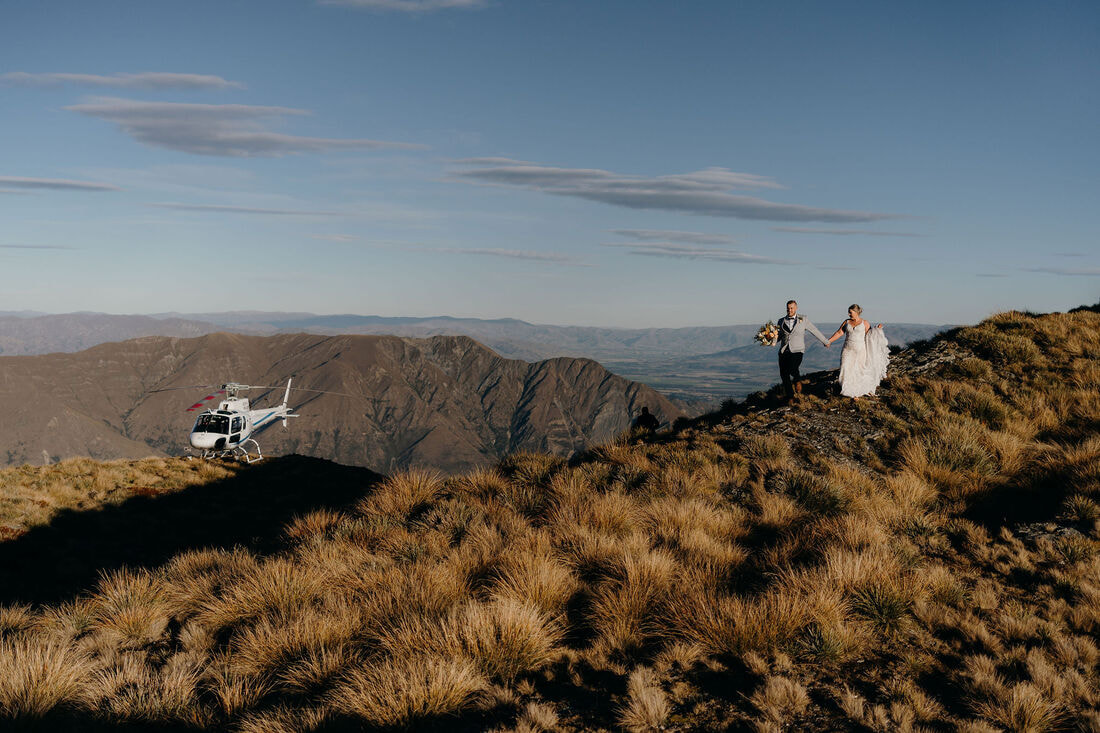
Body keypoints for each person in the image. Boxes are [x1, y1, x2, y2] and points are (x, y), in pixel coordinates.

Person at [825, 304, 888, 399]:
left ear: (856, 312)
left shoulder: (865, 323)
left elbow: (870, 335)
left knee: (857, 370)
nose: (848, 314)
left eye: (850, 312)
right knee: (845, 368)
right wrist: (829, 341)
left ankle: (856, 392)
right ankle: (848, 390)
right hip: (847, 349)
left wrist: (877, 330)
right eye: (849, 312)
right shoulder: (846, 322)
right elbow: (839, 332)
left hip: (860, 350)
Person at [775, 300, 830, 401]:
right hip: (784, 351)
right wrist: (769, 339)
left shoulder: (803, 319)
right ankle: (790, 396)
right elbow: (779, 336)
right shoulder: (781, 321)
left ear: (796, 308)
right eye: (788, 308)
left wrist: (825, 341)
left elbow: (814, 330)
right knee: (784, 374)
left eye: (791, 308)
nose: (789, 310)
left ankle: (797, 381)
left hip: (797, 350)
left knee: (793, 367)